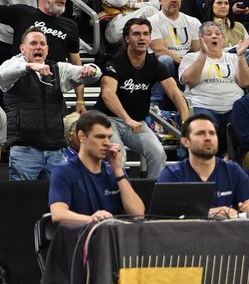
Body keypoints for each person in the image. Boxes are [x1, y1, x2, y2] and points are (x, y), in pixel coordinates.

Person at [0, 29, 100, 180]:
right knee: (24, 200)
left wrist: (91, 69)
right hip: (24, 150)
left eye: (42, 44)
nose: (38, 47)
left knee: (59, 199)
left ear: (47, 50)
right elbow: (1, 76)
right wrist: (30, 66)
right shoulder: (13, 66)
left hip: (56, 150)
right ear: (22, 48)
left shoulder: (58, 69)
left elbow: (94, 75)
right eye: (33, 43)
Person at [98, 17, 191, 179]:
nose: (142, 38)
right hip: (108, 120)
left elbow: (175, 93)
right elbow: (108, 94)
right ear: (127, 39)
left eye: (146, 34)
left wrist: (186, 123)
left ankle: (152, 197)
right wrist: (127, 119)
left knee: (158, 154)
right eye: (136, 34)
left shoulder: (153, 63)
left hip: (136, 122)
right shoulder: (115, 62)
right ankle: (117, 199)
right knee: (118, 157)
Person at [159, 114, 249, 217]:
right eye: (200, 133)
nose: (208, 138)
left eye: (212, 133)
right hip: (186, 232)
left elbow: (246, 203)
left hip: (228, 232)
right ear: (185, 141)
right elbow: (162, 219)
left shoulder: (233, 171)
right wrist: (210, 213)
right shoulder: (172, 175)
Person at [178, 22, 249, 148]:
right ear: (201, 38)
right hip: (203, 106)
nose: (214, 36)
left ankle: (234, 157)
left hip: (234, 107)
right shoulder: (191, 57)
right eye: (209, 34)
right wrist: (203, 55)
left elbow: (244, 82)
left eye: (218, 34)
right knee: (208, 128)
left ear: (223, 39)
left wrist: (241, 56)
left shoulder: (233, 57)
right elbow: (189, 79)